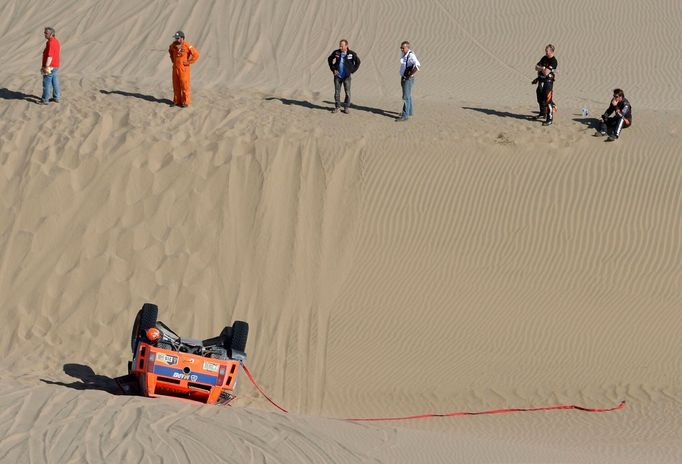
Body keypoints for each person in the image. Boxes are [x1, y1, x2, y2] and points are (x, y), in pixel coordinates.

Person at [327, 39, 361, 114]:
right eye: (340, 46)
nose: (340, 47)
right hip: (337, 76)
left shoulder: (351, 54)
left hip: (347, 77)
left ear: (346, 46)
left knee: (347, 92)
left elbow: (358, 62)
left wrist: (352, 71)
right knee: (337, 92)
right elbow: (329, 59)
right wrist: (333, 69)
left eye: (342, 46)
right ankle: (337, 107)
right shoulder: (336, 52)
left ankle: (346, 107)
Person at [168, 31, 199, 107]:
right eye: (176, 38)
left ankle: (186, 102)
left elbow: (196, 55)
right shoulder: (173, 46)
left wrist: (189, 62)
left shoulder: (187, 45)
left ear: (182, 38)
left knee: (184, 86)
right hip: (175, 68)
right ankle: (176, 101)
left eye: (178, 38)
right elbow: (170, 52)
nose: (176, 39)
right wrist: (173, 60)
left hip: (184, 69)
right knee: (176, 85)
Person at [532, 44, 557, 126]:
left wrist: (542, 68)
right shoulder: (544, 58)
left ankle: (549, 119)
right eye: (545, 51)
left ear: (552, 51)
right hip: (541, 81)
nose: (546, 52)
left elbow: (546, 72)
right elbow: (536, 67)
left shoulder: (553, 61)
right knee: (540, 98)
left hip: (548, 82)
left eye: (547, 51)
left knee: (548, 100)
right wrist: (542, 68)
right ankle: (542, 114)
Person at [396, 41, 421, 122]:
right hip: (404, 77)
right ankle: (409, 112)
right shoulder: (404, 54)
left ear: (407, 47)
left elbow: (417, 65)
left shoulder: (411, 55)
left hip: (408, 79)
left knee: (405, 97)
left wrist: (410, 74)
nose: (401, 49)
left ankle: (405, 115)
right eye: (401, 48)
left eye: (403, 48)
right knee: (408, 95)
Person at [40, 27, 61, 105]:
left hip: (50, 66)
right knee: (54, 81)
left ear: (51, 34)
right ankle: (56, 97)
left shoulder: (51, 42)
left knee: (46, 83)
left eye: (46, 33)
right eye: (44, 33)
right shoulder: (56, 41)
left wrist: (46, 66)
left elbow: (50, 56)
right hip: (55, 66)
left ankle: (45, 99)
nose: (44, 34)